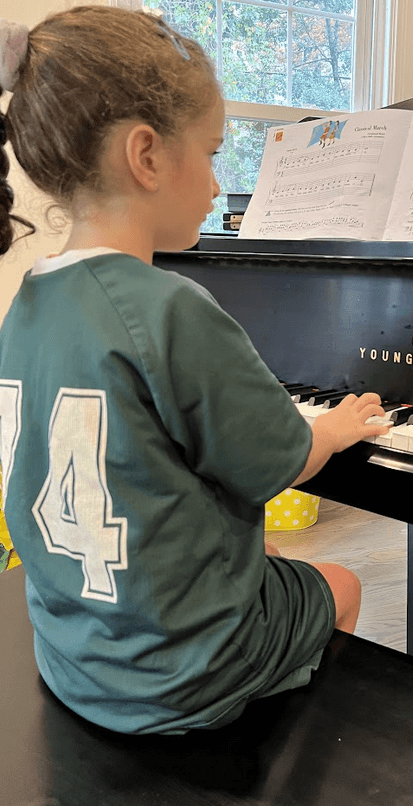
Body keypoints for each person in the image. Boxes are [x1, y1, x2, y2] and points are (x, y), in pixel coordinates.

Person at [0, 6, 391, 736]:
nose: (218, 186)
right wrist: (334, 426)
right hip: (176, 675)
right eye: (212, 154)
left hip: (75, 652)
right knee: (336, 582)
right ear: (146, 156)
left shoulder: (28, 301)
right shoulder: (169, 307)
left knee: (267, 554)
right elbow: (282, 461)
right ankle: (283, 752)